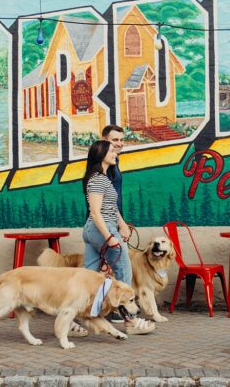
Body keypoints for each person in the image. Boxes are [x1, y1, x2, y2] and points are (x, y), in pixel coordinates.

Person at [82, 139, 154, 334]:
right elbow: (96, 212)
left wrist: (122, 225)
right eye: (112, 150)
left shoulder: (104, 178)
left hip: (101, 229)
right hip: (101, 229)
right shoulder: (97, 179)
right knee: (124, 270)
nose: (116, 153)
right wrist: (109, 237)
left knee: (87, 276)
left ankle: (77, 319)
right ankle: (130, 321)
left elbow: (111, 207)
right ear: (101, 155)